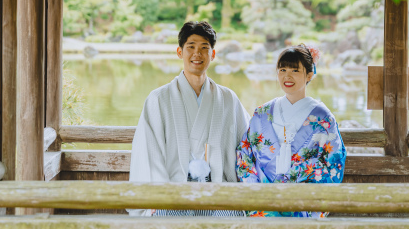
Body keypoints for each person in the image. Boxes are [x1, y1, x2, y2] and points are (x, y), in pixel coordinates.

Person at [128, 21, 249, 216]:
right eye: (191, 47)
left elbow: (246, 141)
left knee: (235, 220)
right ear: (179, 52)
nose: (197, 54)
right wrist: (156, 196)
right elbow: (149, 151)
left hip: (217, 193)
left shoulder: (227, 99)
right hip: (172, 194)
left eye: (204, 48)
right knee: (161, 220)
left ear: (213, 54)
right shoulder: (158, 99)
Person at [236, 44, 346, 217]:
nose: (287, 76)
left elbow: (332, 162)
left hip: (303, 204)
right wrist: (255, 192)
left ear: (309, 75)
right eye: (282, 69)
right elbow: (245, 155)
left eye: (295, 70)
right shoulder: (262, 113)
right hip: (262, 202)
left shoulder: (323, 119)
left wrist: (299, 191)